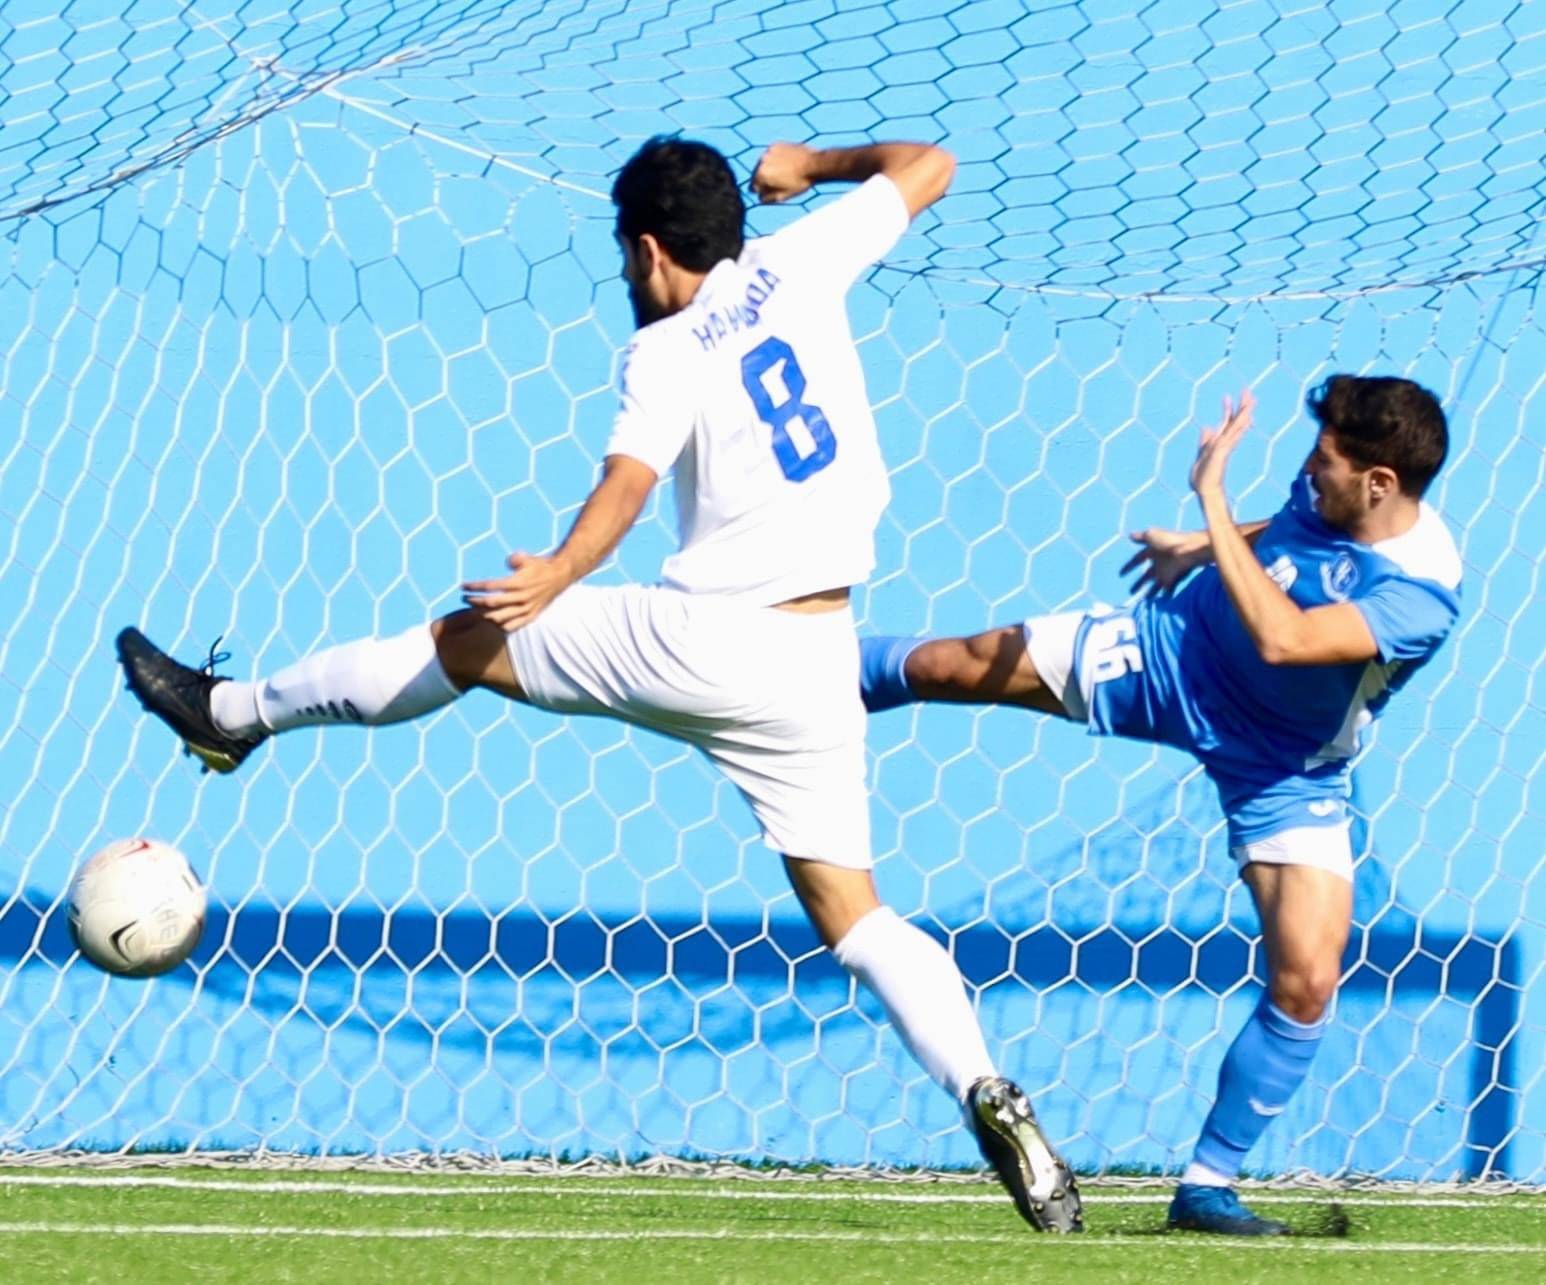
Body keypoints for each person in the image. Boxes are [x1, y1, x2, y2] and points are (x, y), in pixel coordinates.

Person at [117, 134, 1082, 1233]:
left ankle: (229, 715)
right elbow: (931, 162)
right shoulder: (803, 258)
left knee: (467, 642)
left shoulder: (668, 349)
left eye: (626, 258)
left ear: (649, 247)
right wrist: (811, 164)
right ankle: (985, 1087)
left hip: (709, 637)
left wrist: (561, 574)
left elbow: (627, 481)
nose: (627, 280)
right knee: (857, 917)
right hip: (820, 652)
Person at [860, 376, 1459, 1234]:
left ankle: (1206, 1187)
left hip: (1286, 765)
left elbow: (1286, 639)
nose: (1306, 471)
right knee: (955, 665)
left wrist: (1209, 502)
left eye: (1323, 463)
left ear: (1380, 485)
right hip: (1169, 653)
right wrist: (1200, 546)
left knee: (1308, 981)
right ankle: (797, 673)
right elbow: (1287, 532)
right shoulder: (1330, 492)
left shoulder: (1421, 595)